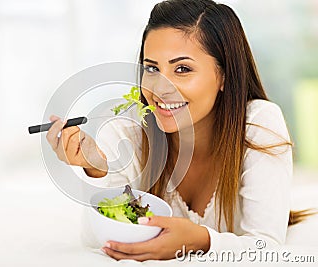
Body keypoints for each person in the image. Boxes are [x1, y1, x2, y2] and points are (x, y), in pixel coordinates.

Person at [46, 0, 312, 261]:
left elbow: (266, 246)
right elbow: (97, 238)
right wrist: (96, 168)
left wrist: (200, 240)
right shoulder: (129, 131)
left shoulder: (258, 124)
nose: (160, 88)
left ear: (225, 75)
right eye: (152, 68)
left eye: (182, 69)